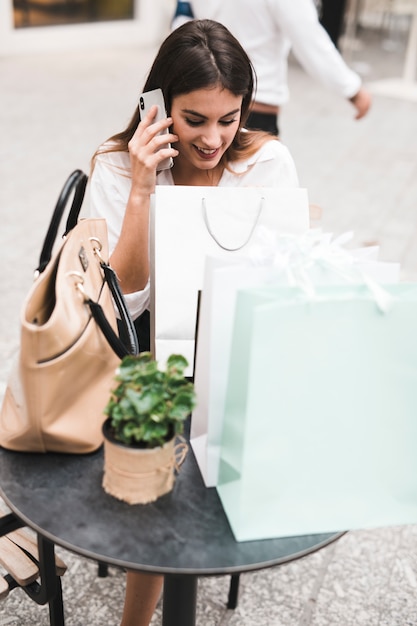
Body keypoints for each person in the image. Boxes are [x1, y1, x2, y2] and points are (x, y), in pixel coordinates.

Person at [89, 19, 300, 626]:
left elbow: (282, 284)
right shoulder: (118, 166)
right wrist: (140, 192)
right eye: (194, 119)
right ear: (157, 107)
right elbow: (119, 310)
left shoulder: (266, 163)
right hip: (146, 353)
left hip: (240, 351)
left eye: (229, 118)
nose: (213, 139)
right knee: (162, 445)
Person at [171, 0, 372, 135]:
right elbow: (309, 38)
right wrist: (352, 90)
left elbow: (182, 25)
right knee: (261, 193)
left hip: (205, 104)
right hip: (257, 106)